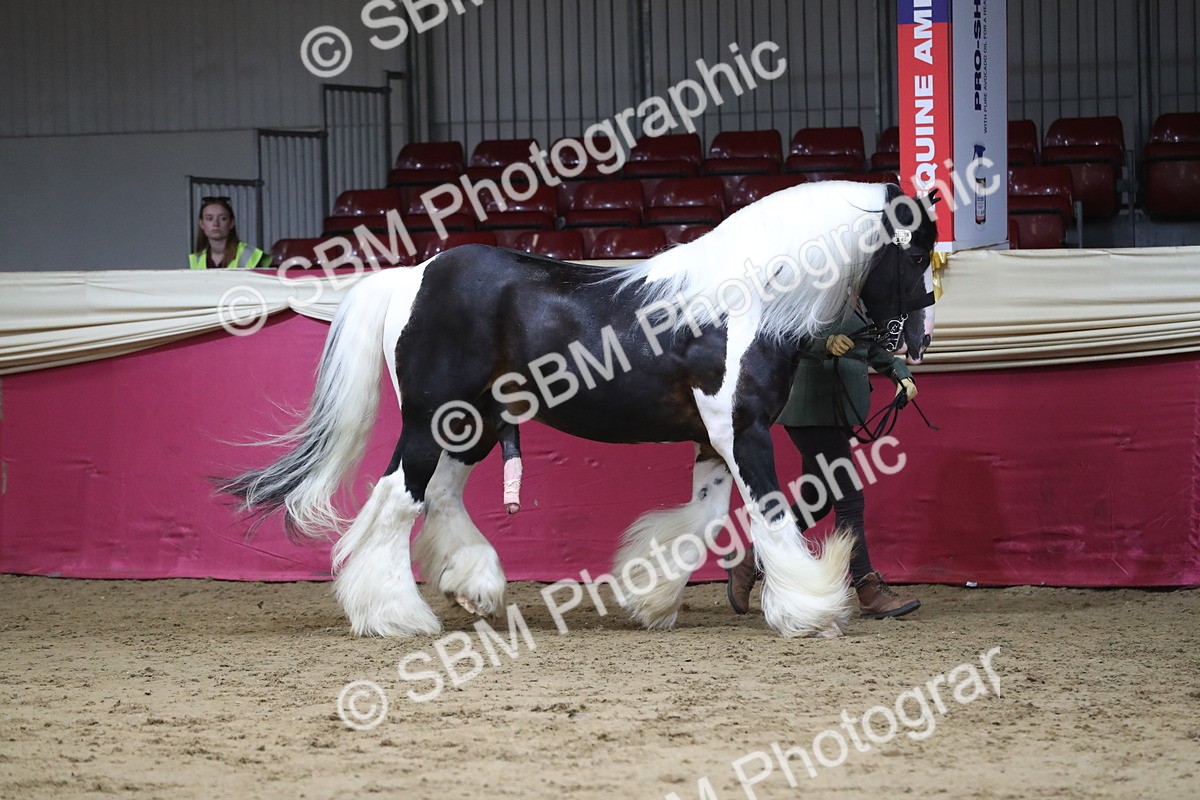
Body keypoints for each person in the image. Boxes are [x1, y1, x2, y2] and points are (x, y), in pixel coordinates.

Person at [727, 305, 922, 619]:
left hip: (837, 409)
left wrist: (897, 372)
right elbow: (782, 333)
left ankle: (752, 557)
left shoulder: (855, 296)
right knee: (849, 497)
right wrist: (823, 344)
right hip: (810, 410)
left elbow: (864, 342)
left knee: (816, 501)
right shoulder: (812, 288)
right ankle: (866, 586)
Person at [189, 197, 269, 269]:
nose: (215, 223)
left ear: (231, 223)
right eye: (209, 219)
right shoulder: (197, 260)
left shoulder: (250, 255)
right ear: (201, 224)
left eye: (223, 218)